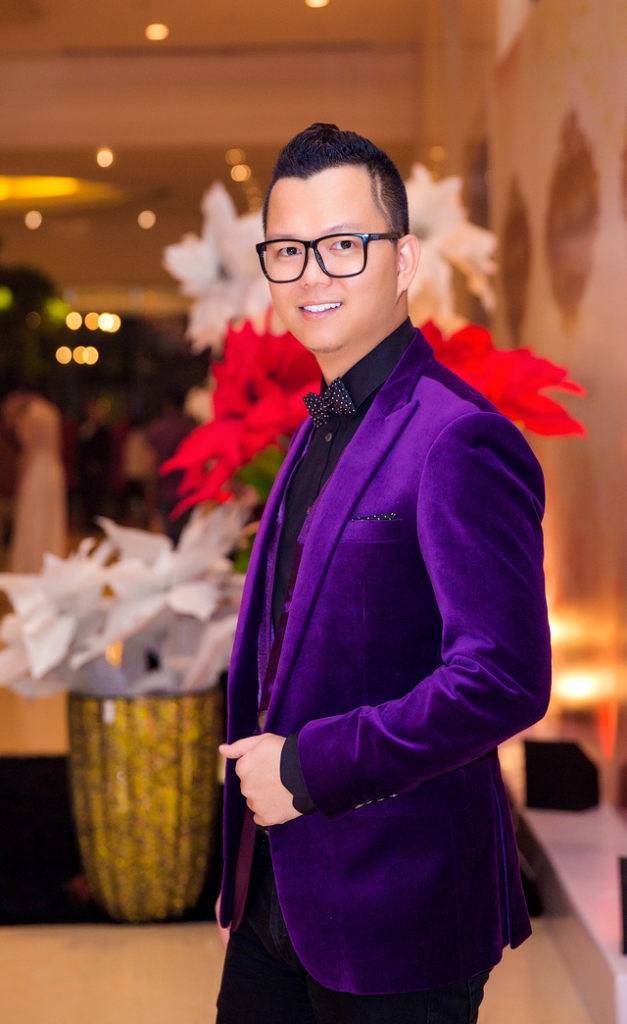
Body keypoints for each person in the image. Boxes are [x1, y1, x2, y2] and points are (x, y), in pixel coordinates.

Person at [216, 124, 551, 1024]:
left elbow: (503, 679)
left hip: (399, 906)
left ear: (402, 261)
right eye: (287, 250)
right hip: (277, 895)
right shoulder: (321, 421)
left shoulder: (457, 437)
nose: (310, 275)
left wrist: (307, 768)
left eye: (342, 245)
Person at [2, 390, 67, 573]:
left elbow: (28, 452)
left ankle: (32, 561)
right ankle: (49, 557)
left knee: (32, 516)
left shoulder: (30, 415)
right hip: (53, 469)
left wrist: (21, 478)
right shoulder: (52, 411)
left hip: (36, 471)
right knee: (49, 518)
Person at [146, 392, 193, 544]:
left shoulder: (157, 428)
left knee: (166, 532)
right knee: (185, 532)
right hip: (187, 487)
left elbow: (151, 460)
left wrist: (150, 486)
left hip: (164, 486)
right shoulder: (189, 428)